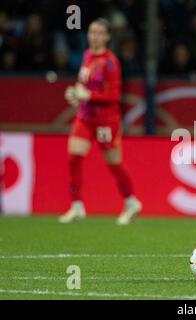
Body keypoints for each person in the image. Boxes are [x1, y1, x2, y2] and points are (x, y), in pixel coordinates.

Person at [59, 18, 142, 225]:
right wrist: (76, 95)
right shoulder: (87, 56)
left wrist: (88, 95)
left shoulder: (111, 62)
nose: (94, 36)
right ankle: (77, 206)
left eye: (98, 33)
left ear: (107, 36)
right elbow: (84, 85)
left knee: (113, 163)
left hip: (106, 120)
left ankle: (131, 202)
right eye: (91, 32)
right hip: (86, 117)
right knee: (73, 157)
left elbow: (114, 96)